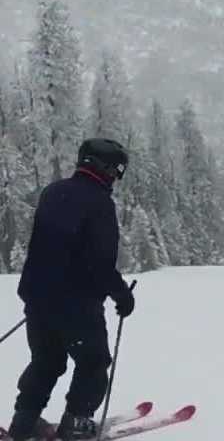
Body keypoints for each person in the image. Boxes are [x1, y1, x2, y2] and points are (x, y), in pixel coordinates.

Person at [7, 138, 136, 441]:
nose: (115, 179)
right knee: (93, 362)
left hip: (38, 298)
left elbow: (50, 247)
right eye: (116, 171)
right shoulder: (99, 202)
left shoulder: (53, 192)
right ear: (104, 167)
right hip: (75, 304)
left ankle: (23, 423)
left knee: (46, 361)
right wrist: (121, 294)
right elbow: (99, 261)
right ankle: (76, 422)